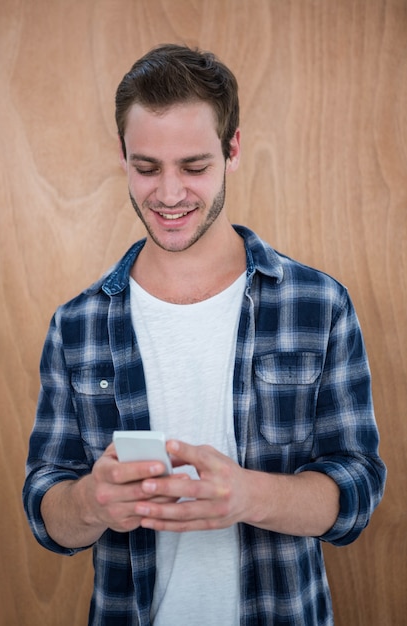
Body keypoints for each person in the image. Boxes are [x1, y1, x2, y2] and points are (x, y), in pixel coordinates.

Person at [23, 44, 386, 626]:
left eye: (194, 167)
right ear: (122, 155)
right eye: (146, 168)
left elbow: (358, 489)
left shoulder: (318, 304)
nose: (169, 195)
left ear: (232, 149)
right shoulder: (77, 325)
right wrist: (91, 502)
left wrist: (249, 496)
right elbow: (47, 511)